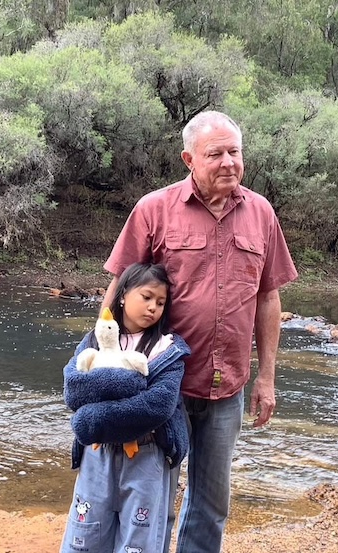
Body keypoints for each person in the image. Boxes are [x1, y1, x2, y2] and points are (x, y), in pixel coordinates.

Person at [101, 111, 298, 552]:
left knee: (211, 502)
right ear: (189, 159)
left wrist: (267, 377)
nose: (228, 162)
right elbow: (119, 288)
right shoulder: (154, 209)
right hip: (160, 383)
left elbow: (269, 297)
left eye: (235, 152)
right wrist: (105, 366)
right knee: (153, 495)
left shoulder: (261, 213)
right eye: (215, 154)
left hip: (227, 385)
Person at [60, 262, 191, 553]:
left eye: (160, 302)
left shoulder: (168, 349)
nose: (153, 307)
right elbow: (74, 390)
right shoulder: (94, 340)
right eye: (146, 297)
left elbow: (158, 406)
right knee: (86, 532)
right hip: (97, 454)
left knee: (139, 539)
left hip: (147, 455)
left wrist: (92, 417)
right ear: (122, 296)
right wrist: (133, 384)